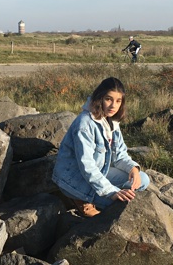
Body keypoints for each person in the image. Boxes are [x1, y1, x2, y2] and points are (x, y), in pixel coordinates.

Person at [52, 77, 150, 217]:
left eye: (118, 101)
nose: (113, 106)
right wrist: (112, 192)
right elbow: (87, 166)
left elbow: (120, 155)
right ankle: (81, 198)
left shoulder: (111, 121)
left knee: (142, 179)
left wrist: (133, 169)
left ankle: (108, 193)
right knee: (119, 205)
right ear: (99, 98)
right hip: (76, 179)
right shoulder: (85, 125)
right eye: (108, 99)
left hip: (100, 171)